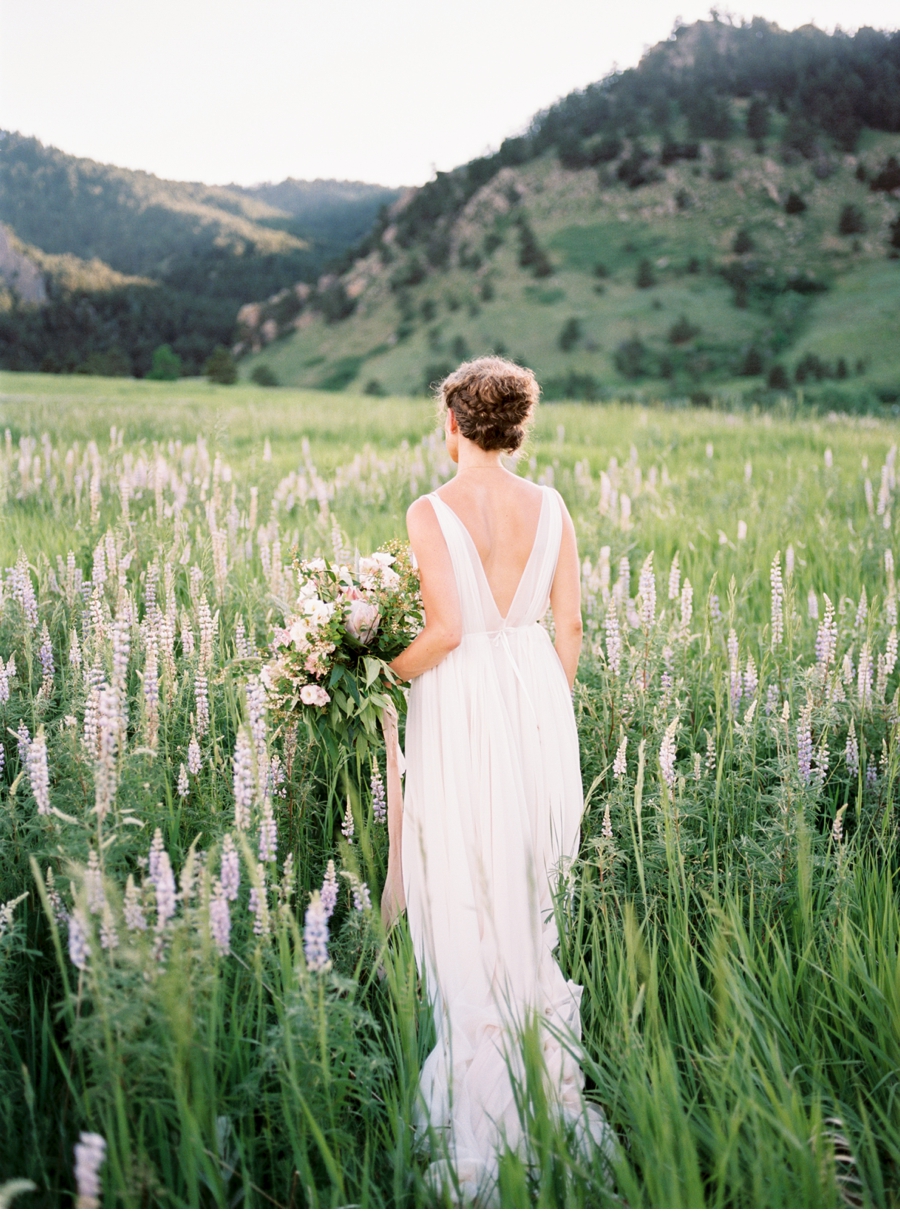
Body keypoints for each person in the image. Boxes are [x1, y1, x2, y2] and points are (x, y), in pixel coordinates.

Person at [382, 357, 610, 1201]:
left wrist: (377, 670)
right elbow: (572, 623)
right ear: (517, 428)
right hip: (533, 700)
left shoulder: (430, 510)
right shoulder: (551, 506)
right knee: (524, 886)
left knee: (463, 880)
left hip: (461, 702)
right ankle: (539, 1077)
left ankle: (481, 1104)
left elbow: (442, 630)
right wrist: (547, 705)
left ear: (454, 425)